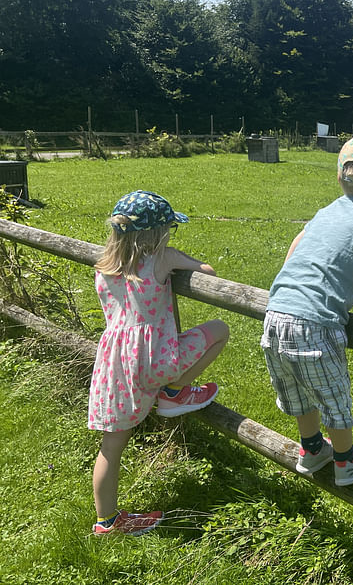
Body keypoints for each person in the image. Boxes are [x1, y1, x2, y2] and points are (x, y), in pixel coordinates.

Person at [261, 133, 353, 487]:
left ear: (339, 177)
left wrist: (286, 285)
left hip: (276, 312)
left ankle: (312, 450)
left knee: (296, 390)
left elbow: (296, 246)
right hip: (316, 321)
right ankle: (345, 461)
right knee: (333, 396)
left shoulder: (326, 211)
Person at [88, 190, 229, 536]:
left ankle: (106, 522)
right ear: (156, 233)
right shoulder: (161, 260)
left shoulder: (104, 266)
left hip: (115, 364)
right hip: (155, 360)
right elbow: (207, 270)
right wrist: (174, 254)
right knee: (219, 330)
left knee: (111, 446)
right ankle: (175, 391)